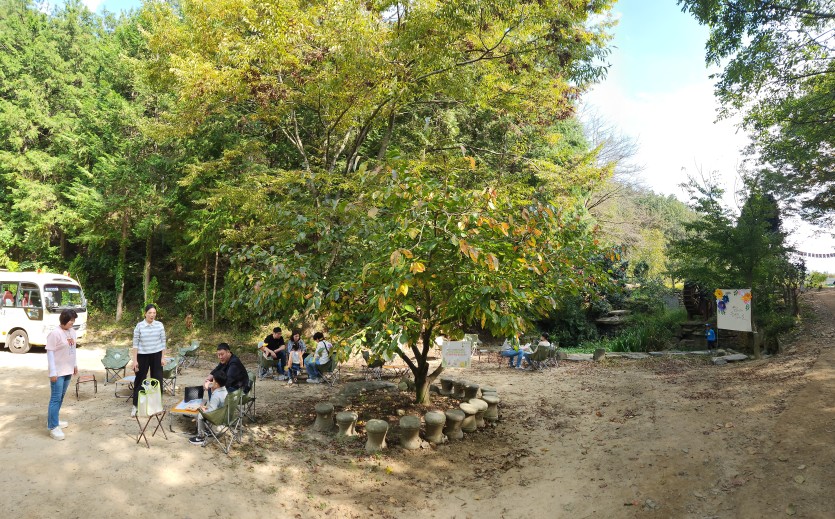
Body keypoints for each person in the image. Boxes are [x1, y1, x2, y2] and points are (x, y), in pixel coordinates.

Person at [45, 309, 78, 440]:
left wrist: (74, 364)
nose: (73, 323)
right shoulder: (55, 333)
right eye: (71, 321)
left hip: (68, 369)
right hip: (58, 372)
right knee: (55, 398)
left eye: (73, 321)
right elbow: (50, 353)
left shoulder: (72, 331)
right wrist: (53, 372)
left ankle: (54, 420)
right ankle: (53, 427)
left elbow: (73, 350)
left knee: (61, 397)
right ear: (63, 320)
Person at [131, 304, 167, 417]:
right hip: (142, 355)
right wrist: (135, 360)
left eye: (154, 313)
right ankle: (135, 405)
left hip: (156, 355)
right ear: (145, 314)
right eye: (150, 313)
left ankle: (157, 405)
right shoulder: (139, 326)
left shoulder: (159, 325)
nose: (152, 315)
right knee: (140, 379)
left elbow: (163, 342)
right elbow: (135, 344)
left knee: (157, 379)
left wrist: (163, 357)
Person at [190, 371, 227, 446]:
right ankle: (207, 431)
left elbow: (211, 413)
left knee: (200, 414)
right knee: (205, 409)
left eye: (213, 380)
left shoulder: (216, 396)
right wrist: (208, 385)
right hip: (223, 419)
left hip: (216, 422)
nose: (211, 382)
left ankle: (200, 437)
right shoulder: (225, 390)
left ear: (216, 384)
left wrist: (203, 409)